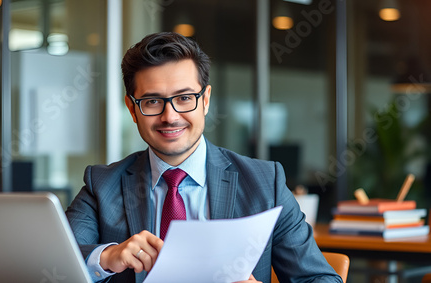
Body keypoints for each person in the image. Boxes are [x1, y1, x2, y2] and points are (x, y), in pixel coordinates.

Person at [66, 32, 342, 283]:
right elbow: (51, 266)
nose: (170, 116)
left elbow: (321, 279)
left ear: (205, 100)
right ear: (132, 108)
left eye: (184, 98)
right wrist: (106, 258)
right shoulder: (101, 185)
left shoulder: (265, 183)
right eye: (152, 101)